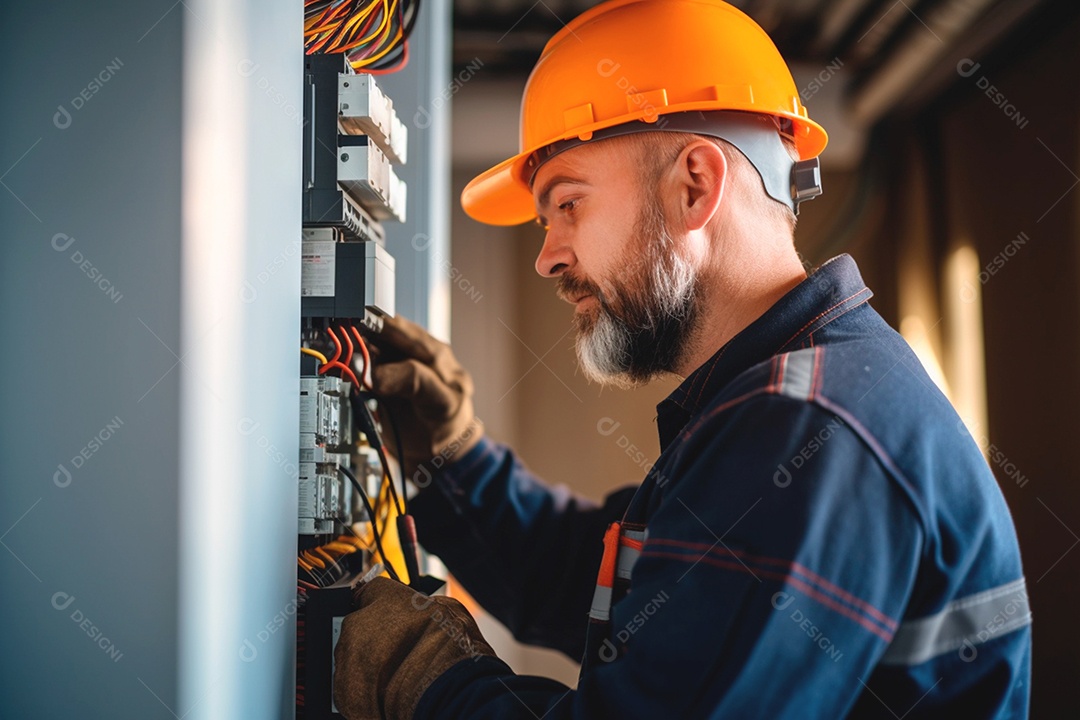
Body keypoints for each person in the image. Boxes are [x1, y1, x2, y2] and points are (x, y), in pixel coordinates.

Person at [333, 0, 1032, 717]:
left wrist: (431, 686)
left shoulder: (809, 425)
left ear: (694, 185)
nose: (547, 257)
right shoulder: (788, 397)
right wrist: (455, 463)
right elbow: (609, 585)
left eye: (567, 204)